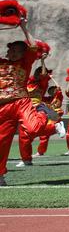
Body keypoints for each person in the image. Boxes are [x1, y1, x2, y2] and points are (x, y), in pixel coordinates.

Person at [0, 17, 42, 185]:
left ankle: (46, 117)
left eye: (19, 50)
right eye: (12, 50)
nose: (14, 53)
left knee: (34, 127)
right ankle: (0, 175)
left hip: (21, 102)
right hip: (3, 106)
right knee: (1, 143)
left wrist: (24, 27)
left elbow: (34, 46)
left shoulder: (25, 63)